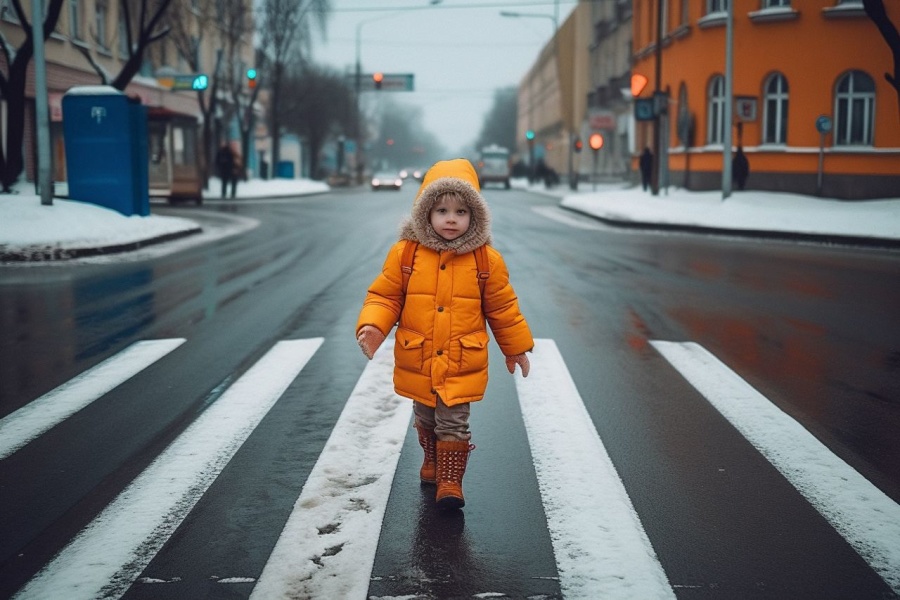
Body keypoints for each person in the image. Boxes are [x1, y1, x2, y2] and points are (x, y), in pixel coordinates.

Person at [356, 158, 534, 510]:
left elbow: (502, 308)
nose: (451, 219)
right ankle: (432, 461)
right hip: (418, 354)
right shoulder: (406, 254)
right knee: (424, 414)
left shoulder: (486, 261)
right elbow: (386, 295)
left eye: (460, 211)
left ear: (475, 217)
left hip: (460, 359)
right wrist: (374, 326)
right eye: (441, 210)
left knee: (453, 419)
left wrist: (515, 348)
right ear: (425, 213)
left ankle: (450, 480)